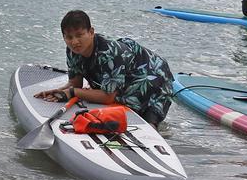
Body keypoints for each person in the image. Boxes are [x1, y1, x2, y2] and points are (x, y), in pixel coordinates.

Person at [34, 10, 176, 126]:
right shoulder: (72, 51)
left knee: (147, 122)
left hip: (155, 76)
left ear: (91, 32)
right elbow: (75, 84)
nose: (74, 42)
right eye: (69, 37)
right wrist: (58, 91)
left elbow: (107, 97)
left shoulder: (109, 53)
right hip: (127, 76)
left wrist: (71, 92)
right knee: (115, 107)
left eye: (79, 35)